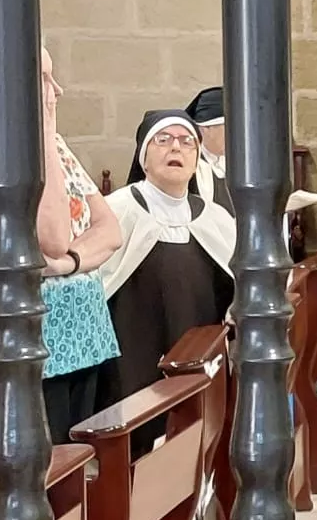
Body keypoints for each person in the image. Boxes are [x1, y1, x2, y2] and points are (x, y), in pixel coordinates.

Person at [0, 48, 122, 444]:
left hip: (81, 333)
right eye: (44, 79)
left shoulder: (53, 145)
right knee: (48, 480)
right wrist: (45, 131)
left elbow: (109, 230)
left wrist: (70, 263)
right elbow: (51, 236)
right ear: (4, 87)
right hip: (21, 343)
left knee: (86, 474)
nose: (58, 90)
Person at [98, 111, 236, 428]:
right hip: (133, 356)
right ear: (144, 158)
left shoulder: (216, 218)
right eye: (164, 140)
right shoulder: (116, 211)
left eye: (187, 142)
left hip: (200, 355)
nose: (176, 148)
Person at [185, 86, 317, 255]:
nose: (235, 137)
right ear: (204, 130)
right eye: (228, 130)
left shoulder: (238, 161)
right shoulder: (191, 167)